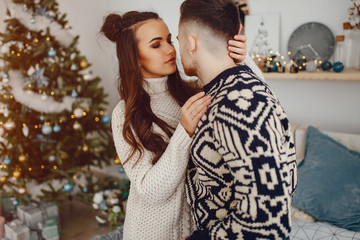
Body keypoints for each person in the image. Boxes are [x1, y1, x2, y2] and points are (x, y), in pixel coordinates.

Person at [99, 9, 264, 240]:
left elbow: (255, 97)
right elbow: (150, 192)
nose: (170, 49)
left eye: (169, 40)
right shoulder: (125, 114)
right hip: (150, 233)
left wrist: (241, 59)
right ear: (134, 57)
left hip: (197, 231)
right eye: (156, 45)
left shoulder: (194, 90)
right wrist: (184, 132)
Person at [177, 0, 297, 239]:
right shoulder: (225, 90)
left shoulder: (240, 101)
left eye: (178, 40)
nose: (177, 48)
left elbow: (268, 224)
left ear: (192, 42)